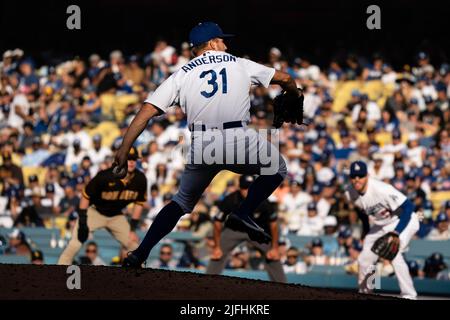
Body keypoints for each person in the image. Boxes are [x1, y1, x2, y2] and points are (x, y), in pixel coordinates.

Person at [115, 22, 300, 267]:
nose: (225, 43)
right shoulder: (238, 63)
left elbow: (147, 110)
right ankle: (243, 212)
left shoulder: (181, 73)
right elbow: (286, 78)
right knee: (277, 169)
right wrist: (294, 95)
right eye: (222, 40)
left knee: (180, 203)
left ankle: (140, 253)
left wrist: (123, 149)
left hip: (202, 144)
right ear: (212, 43)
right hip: (236, 138)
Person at [57, 147, 146, 265]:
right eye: (127, 158)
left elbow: (139, 204)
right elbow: (85, 196)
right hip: (96, 211)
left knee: (134, 245)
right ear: (120, 160)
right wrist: (83, 222)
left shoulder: (140, 179)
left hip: (116, 216)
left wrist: (132, 229)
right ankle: (58, 273)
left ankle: (142, 279)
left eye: (134, 159)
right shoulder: (105, 176)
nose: (131, 162)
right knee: (76, 241)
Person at [345, 161, 419, 299]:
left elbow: (409, 207)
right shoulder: (349, 193)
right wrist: (365, 233)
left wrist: (396, 232)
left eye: (360, 176)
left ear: (367, 175)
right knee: (365, 259)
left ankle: (409, 295)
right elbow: (361, 213)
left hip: (404, 220)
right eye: (354, 176)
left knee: (394, 253)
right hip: (380, 225)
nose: (357, 179)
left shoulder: (382, 189)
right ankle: (368, 293)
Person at [206, 174, 286, 282]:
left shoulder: (263, 201)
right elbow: (217, 222)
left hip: (257, 230)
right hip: (234, 229)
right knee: (218, 253)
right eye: (244, 187)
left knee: (272, 254)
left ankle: (282, 286)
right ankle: (207, 283)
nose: (247, 191)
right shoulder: (230, 200)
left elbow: (274, 223)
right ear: (239, 187)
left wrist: (275, 247)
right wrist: (216, 246)